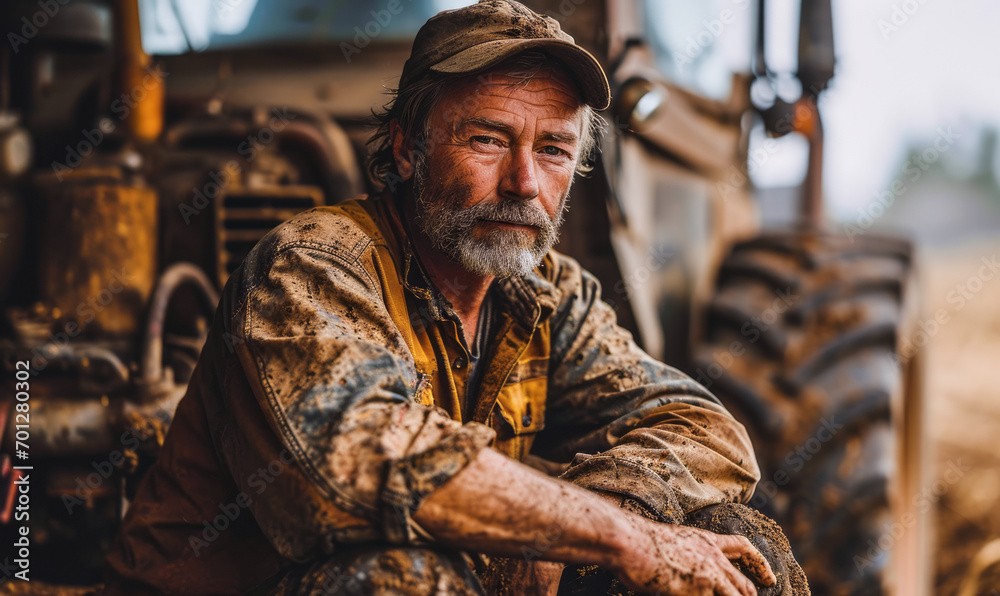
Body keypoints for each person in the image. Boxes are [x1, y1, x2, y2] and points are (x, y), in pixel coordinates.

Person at [105, 1, 804, 594]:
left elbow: (707, 432)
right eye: (488, 140)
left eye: (554, 150)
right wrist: (620, 537)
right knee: (402, 575)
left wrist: (603, 517)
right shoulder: (312, 268)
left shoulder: (545, 295)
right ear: (408, 149)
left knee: (736, 544)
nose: (525, 182)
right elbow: (362, 468)